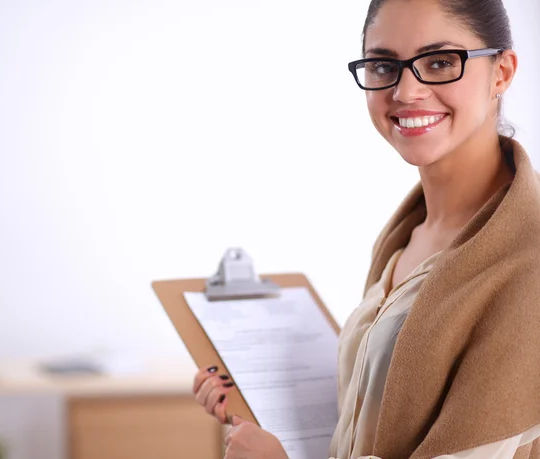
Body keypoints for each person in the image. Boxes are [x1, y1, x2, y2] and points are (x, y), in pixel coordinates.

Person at [192, 0, 540, 458]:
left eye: (439, 62)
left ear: (502, 71)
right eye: (383, 65)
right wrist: (256, 405)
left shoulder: (528, 255)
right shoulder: (403, 239)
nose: (407, 90)